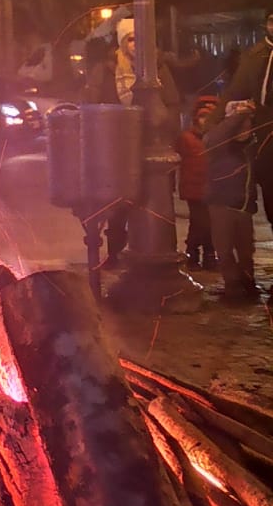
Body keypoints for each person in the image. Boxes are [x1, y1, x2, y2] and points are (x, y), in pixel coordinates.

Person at [83, 17, 181, 269]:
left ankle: (153, 253)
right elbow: (91, 104)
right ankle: (115, 253)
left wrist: (163, 130)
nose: (135, 44)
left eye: (139, 39)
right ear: (121, 42)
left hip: (151, 145)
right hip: (116, 146)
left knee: (150, 200)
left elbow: (171, 104)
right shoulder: (106, 68)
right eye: (130, 38)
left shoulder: (156, 67)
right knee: (117, 201)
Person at [204, 99, 260, 304]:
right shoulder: (219, 147)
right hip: (221, 205)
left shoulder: (252, 146)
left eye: (248, 124)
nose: (246, 128)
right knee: (225, 249)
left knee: (246, 250)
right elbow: (213, 137)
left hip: (244, 207)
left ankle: (247, 282)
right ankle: (233, 286)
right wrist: (238, 116)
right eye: (241, 125)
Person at [222, 9, 273, 227]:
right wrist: (212, 124)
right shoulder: (255, 54)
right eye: (272, 21)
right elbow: (235, 91)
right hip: (263, 130)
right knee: (269, 188)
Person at [176, 98, 218, 271]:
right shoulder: (186, 138)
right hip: (194, 189)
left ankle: (206, 255)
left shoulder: (216, 138)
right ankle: (194, 254)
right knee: (201, 223)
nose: (205, 120)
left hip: (212, 189)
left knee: (207, 223)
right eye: (203, 116)